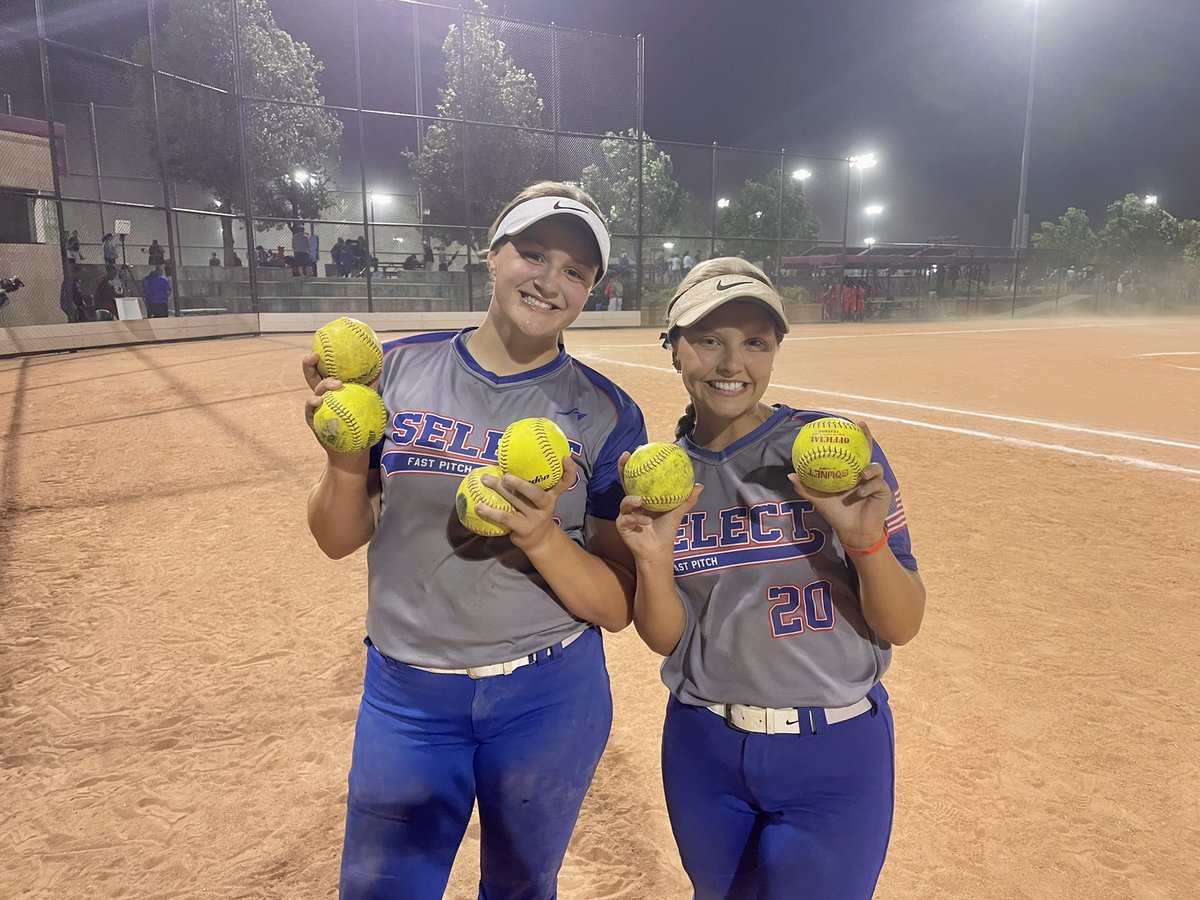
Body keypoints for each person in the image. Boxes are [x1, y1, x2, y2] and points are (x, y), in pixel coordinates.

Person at [303, 180, 647, 899]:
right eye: (534, 254)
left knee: (522, 888)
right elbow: (338, 539)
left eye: (575, 271)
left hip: (550, 696)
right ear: (492, 257)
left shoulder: (606, 412)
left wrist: (543, 535)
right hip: (407, 691)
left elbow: (616, 606)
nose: (551, 281)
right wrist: (342, 464)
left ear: (591, 291)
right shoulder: (395, 371)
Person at [614, 257, 926, 900]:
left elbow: (902, 623)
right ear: (673, 350)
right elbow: (668, 639)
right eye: (709, 340)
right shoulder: (659, 478)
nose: (733, 363)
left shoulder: (833, 450)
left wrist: (865, 542)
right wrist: (650, 559)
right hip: (705, 747)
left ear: (776, 350)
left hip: (834, 749)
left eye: (755, 342)